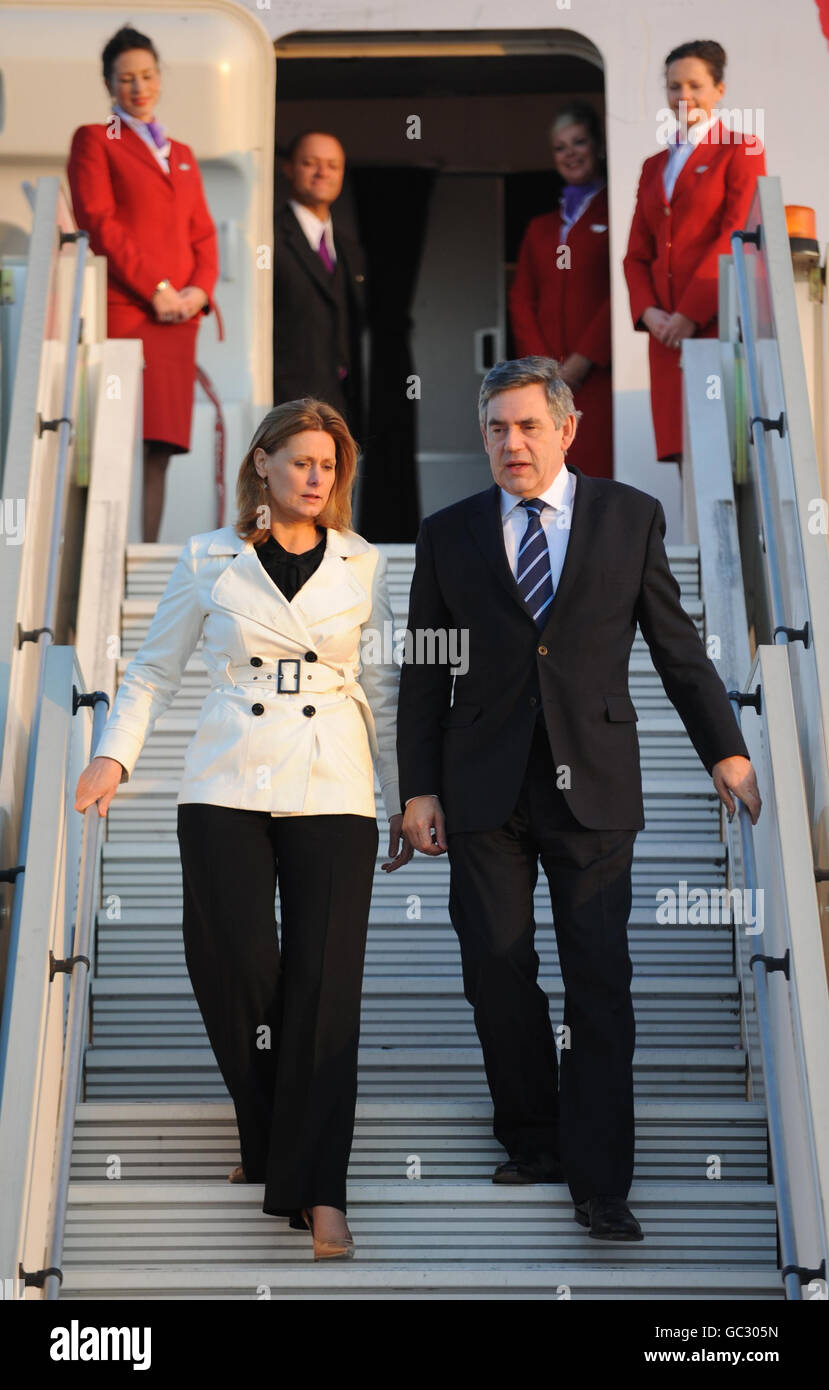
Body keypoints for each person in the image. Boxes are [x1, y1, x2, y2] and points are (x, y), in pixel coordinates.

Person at [396, 356, 762, 1241]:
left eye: (526, 426)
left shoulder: (628, 518)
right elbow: (423, 672)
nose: (510, 443)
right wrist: (416, 788)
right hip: (482, 789)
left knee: (598, 981)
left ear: (567, 429)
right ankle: (533, 1138)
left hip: (593, 787)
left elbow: (677, 648)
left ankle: (602, 1184)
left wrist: (725, 750)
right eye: (495, 427)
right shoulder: (447, 535)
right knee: (496, 968)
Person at [74, 398, 412, 1259]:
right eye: (299, 460)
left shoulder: (363, 563)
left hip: (332, 781)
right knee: (230, 963)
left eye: (328, 465)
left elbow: (386, 688)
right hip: (226, 776)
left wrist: (406, 793)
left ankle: (319, 1189)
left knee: (325, 986)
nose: (314, 477)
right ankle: (265, 1134)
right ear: (260, 464)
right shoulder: (208, 556)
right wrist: (115, 756)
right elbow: (152, 670)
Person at [67, 25, 221, 541]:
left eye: (147, 75)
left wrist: (198, 291)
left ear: (160, 78)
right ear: (110, 84)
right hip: (130, 309)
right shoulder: (94, 139)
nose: (139, 87)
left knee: (161, 444)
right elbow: (101, 221)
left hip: (178, 318)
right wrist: (157, 288)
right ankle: (106, 546)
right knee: (115, 434)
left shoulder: (181, 152)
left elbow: (202, 232)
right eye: (126, 78)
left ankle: (146, 547)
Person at [623, 39, 766, 464]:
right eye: (673, 87)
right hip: (666, 333)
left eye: (695, 85)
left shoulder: (740, 149)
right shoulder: (654, 165)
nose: (683, 96)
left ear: (719, 90)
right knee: (685, 456)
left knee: (723, 454)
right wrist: (649, 313)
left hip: (711, 323)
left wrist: (690, 312)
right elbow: (635, 254)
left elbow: (735, 231)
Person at [509, 104, 612, 479]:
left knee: (595, 473)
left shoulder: (616, 212)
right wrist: (543, 366)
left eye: (579, 142)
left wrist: (583, 360)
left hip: (598, 376)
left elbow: (617, 291)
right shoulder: (540, 227)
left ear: (597, 147)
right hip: (547, 381)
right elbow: (521, 298)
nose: (571, 154)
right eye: (561, 147)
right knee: (548, 473)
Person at [274, 131, 366, 436]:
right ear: (288, 168)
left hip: (340, 407)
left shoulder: (349, 248)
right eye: (310, 163)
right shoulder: (269, 237)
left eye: (332, 165)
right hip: (285, 406)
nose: (322, 173)